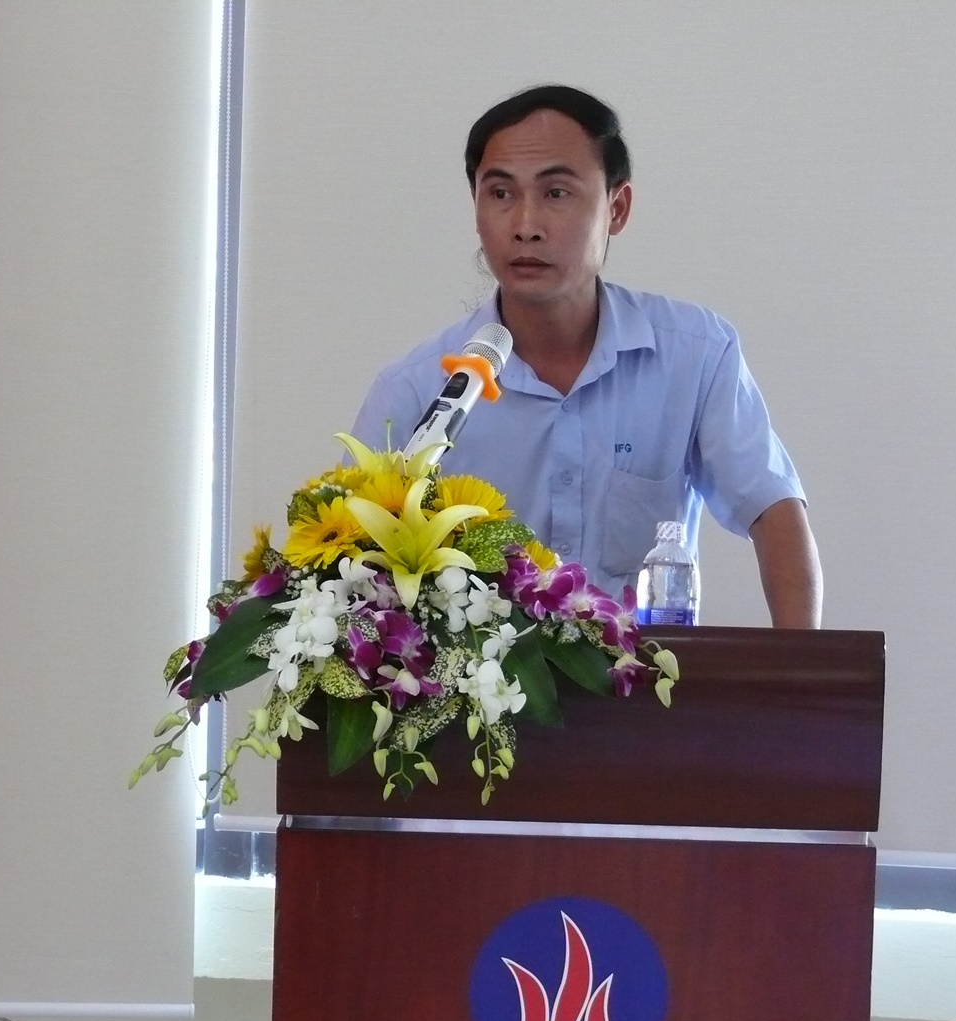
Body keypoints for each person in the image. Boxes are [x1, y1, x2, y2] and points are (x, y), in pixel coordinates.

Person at [350, 85, 822, 628]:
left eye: (556, 192)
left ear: (616, 209)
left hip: (648, 676)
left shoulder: (695, 355)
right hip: (481, 680)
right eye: (500, 194)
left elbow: (773, 511)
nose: (525, 225)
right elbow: (344, 566)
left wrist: (799, 672)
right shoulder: (417, 392)